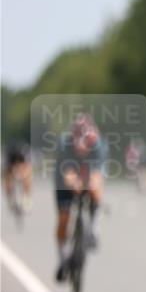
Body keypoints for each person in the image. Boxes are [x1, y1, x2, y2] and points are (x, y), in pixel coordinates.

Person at [54, 114, 107, 282]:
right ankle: (63, 258)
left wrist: (90, 185)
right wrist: (74, 185)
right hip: (64, 178)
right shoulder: (64, 144)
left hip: (87, 172)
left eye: (86, 146)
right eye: (79, 146)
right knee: (64, 217)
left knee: (96, 189)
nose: (82, 150)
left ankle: (94, 229)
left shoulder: (99, 146)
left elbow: (97, 175)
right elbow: (68, 175)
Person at [4, 140, 32, 210]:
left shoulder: (25, 154)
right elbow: (8, 169)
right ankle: (10, 198)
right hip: (10, 160)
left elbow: (27, 168)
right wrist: (14, 174)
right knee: (8, 180)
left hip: (23, 157)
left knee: (27, 177)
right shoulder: (9, 155)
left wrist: (22, 175)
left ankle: (26, 197)